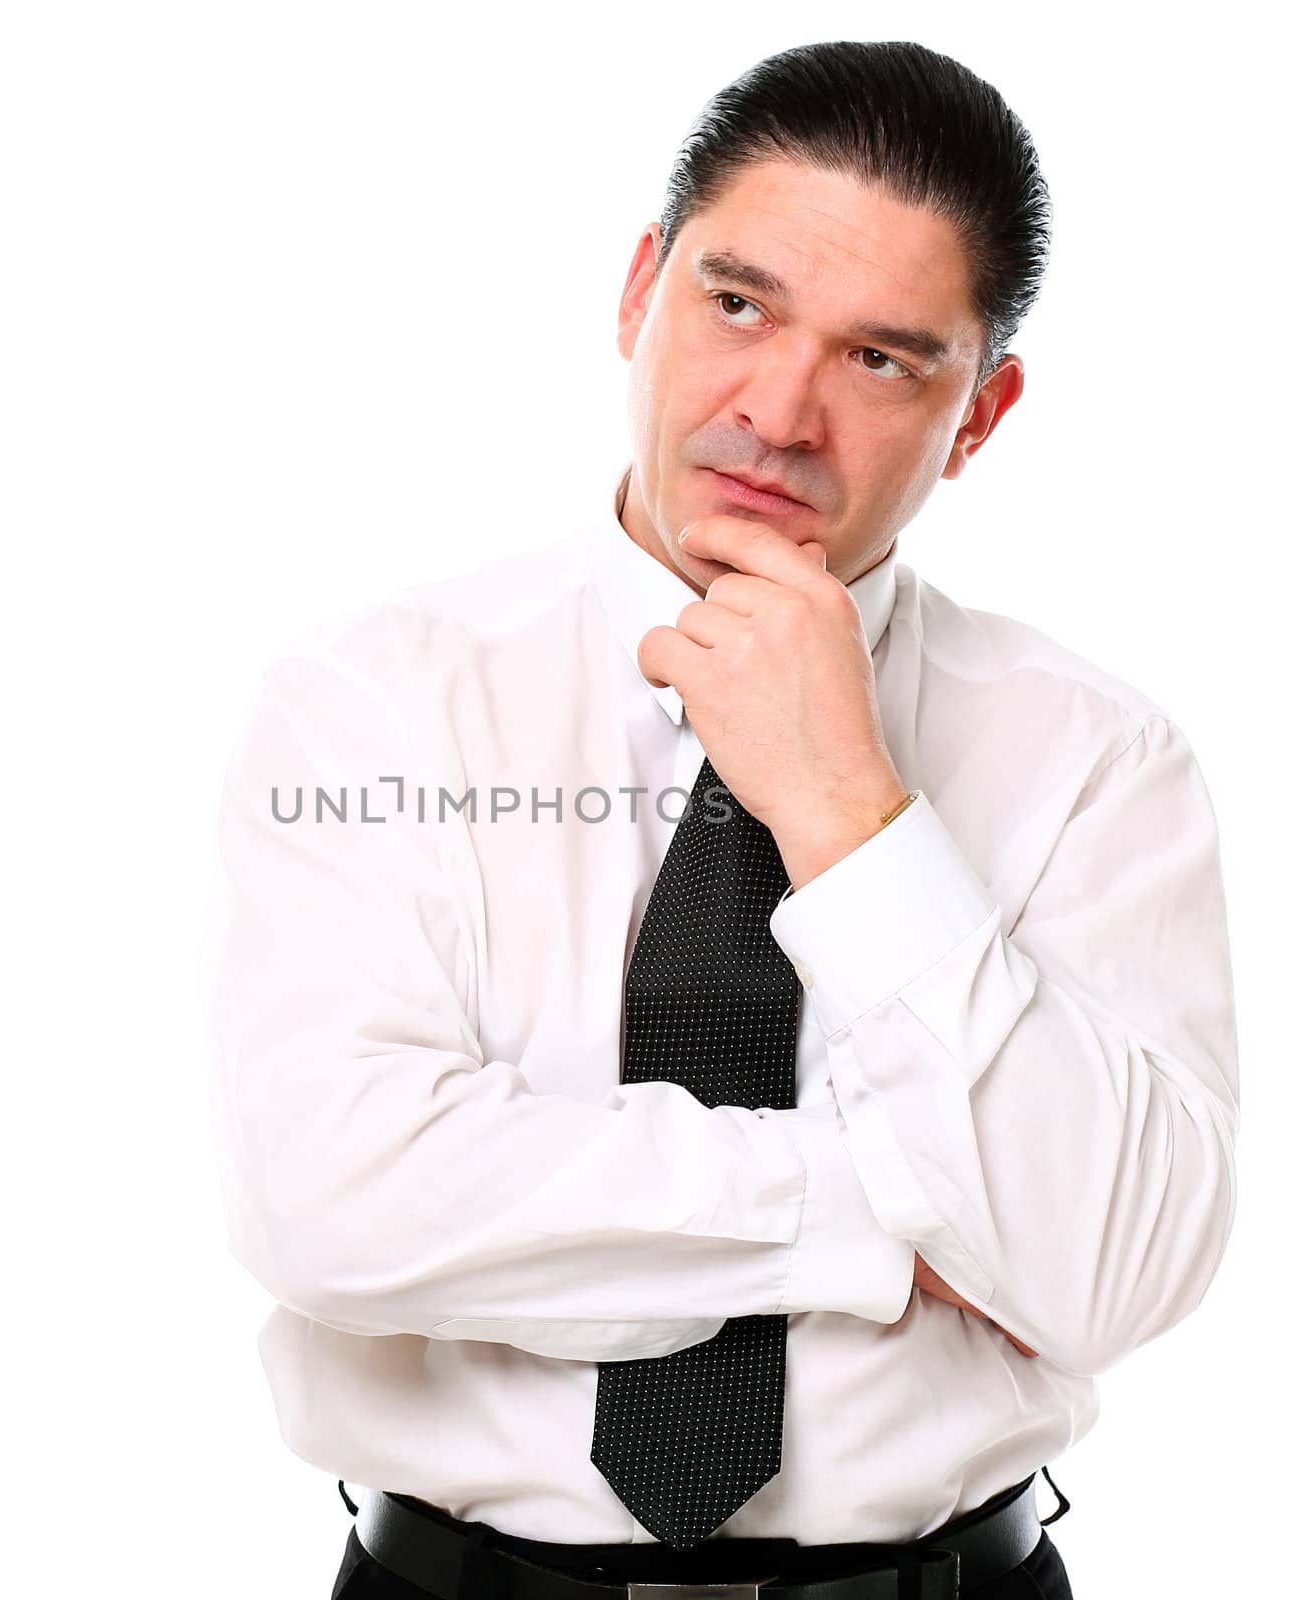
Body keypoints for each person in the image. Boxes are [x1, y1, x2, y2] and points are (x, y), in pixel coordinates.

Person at [206, 38, 1238, 1600]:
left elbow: (1111, 1270)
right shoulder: (378, 701)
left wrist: (851, 812)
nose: (779, 409)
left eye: (883, 359)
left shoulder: (1100, 758)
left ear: (982, 414)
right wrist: (904, 1223)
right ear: (641, 291)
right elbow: (329, 1200)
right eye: (736, 303)